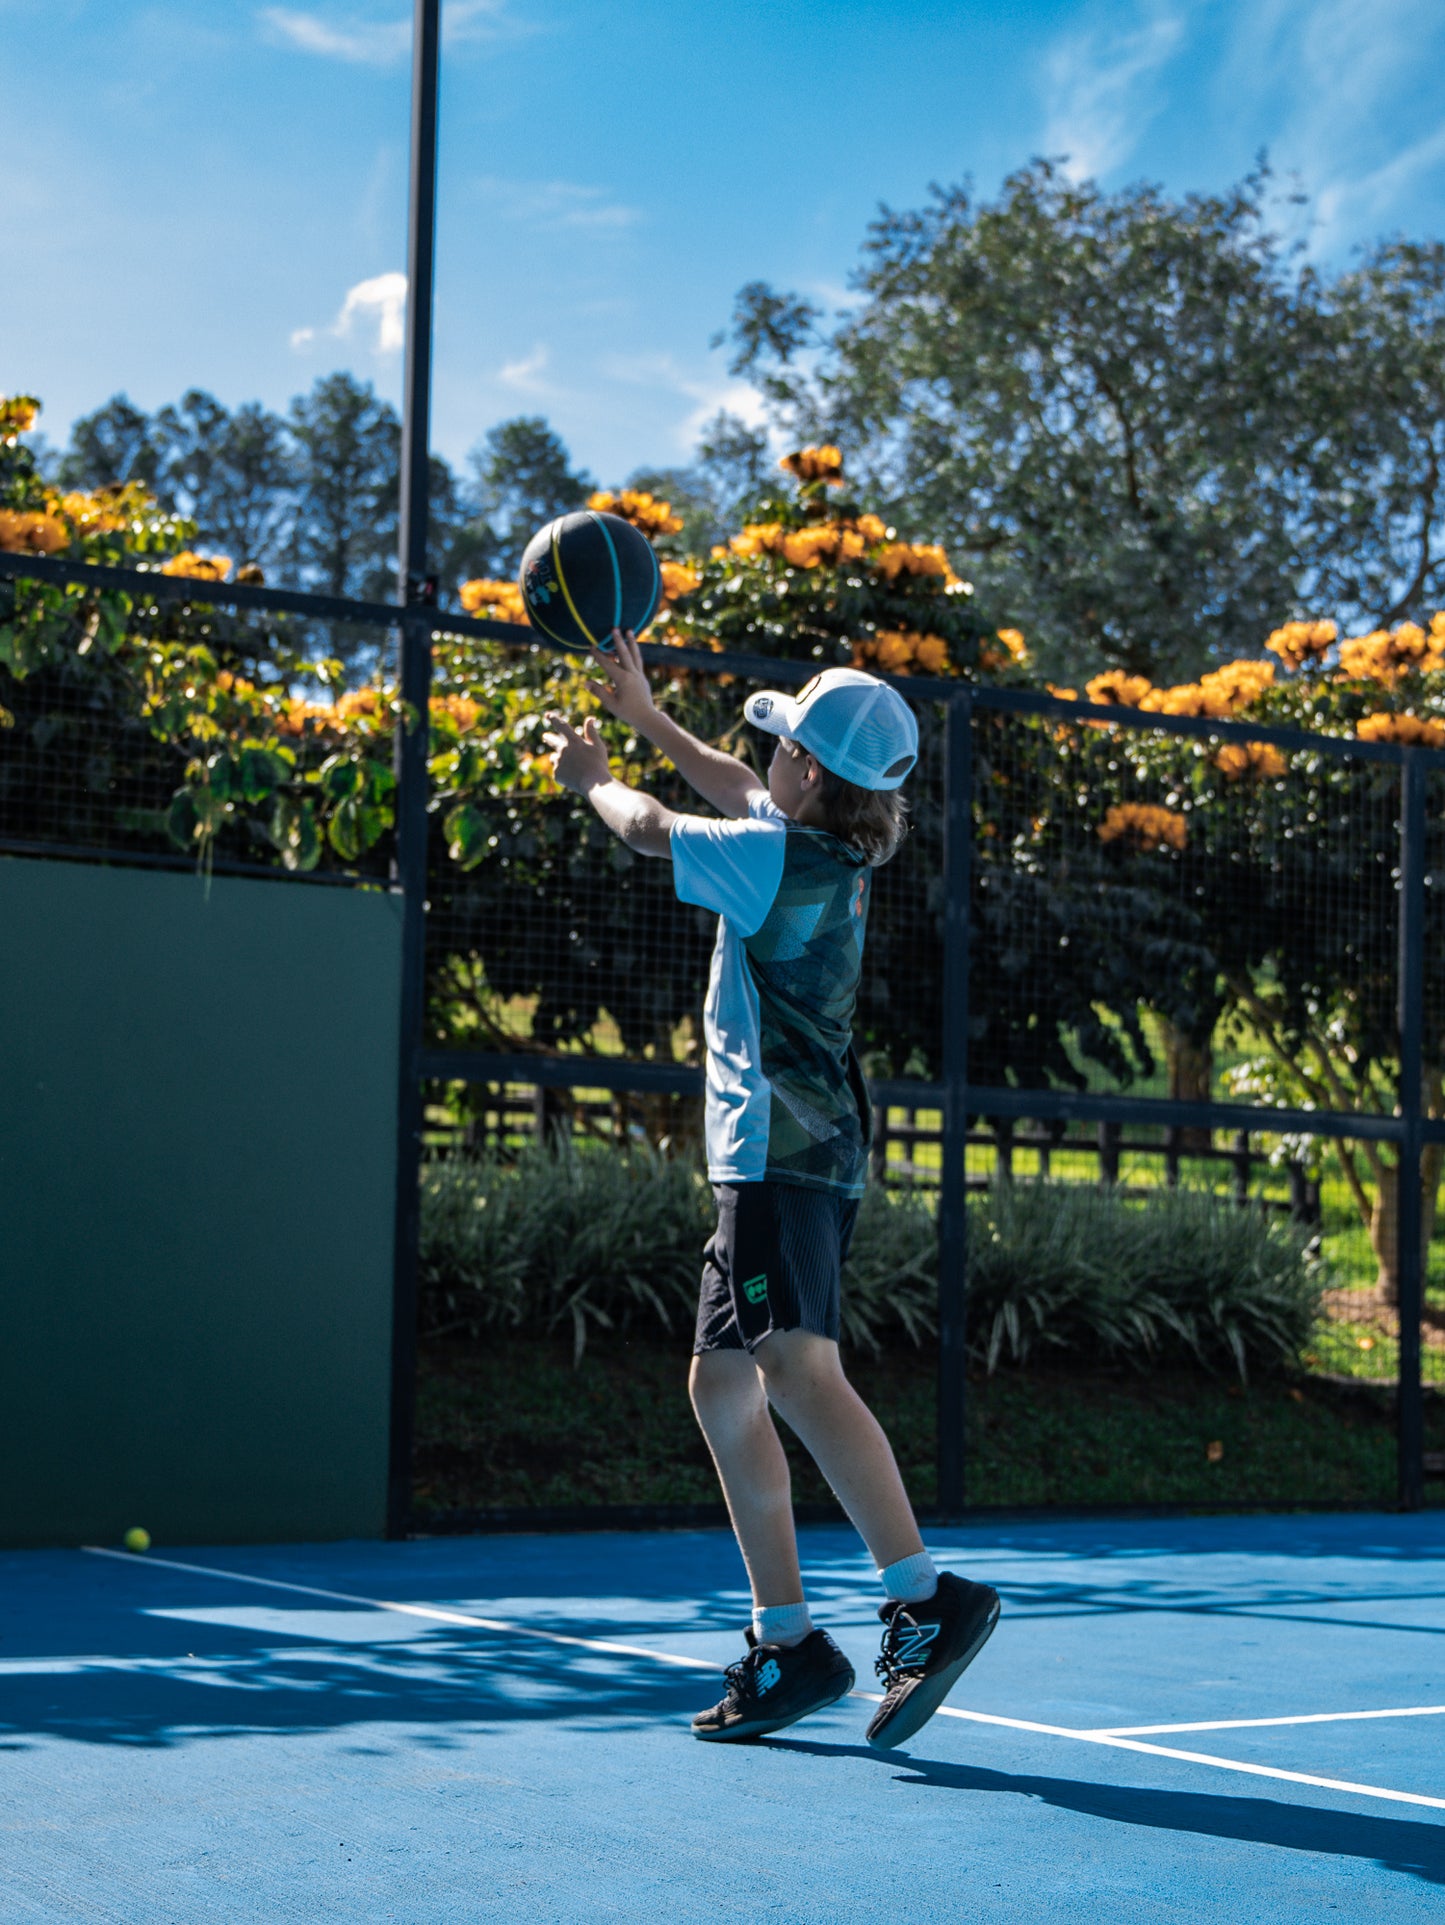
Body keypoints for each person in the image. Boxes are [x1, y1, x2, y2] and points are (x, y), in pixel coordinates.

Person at [540, 632, 999, 1748]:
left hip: (777, 1162)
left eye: (783, 743)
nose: (766, 755)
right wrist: (648, 718)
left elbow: (652, 826)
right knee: (720, 1383)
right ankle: (789, 1642)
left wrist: (597, 776)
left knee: (792, 1367)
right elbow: (737, 783)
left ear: (810, 773)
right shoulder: (819, 849)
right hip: (800, 1157)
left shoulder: (769, 861)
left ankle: (923, 1596)